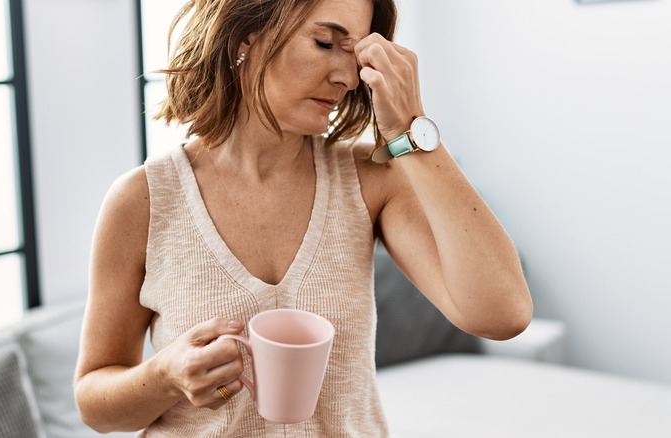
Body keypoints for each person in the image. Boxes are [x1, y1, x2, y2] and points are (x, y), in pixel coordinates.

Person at [74, 0, 533, 435]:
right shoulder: (144, 201)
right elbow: (93, 401)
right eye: (326, 43)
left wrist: (410, 127)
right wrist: (164, 376)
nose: (348, 78)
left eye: (357, 55)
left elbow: (503, 313)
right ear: (246, 35)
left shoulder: (370, 179)